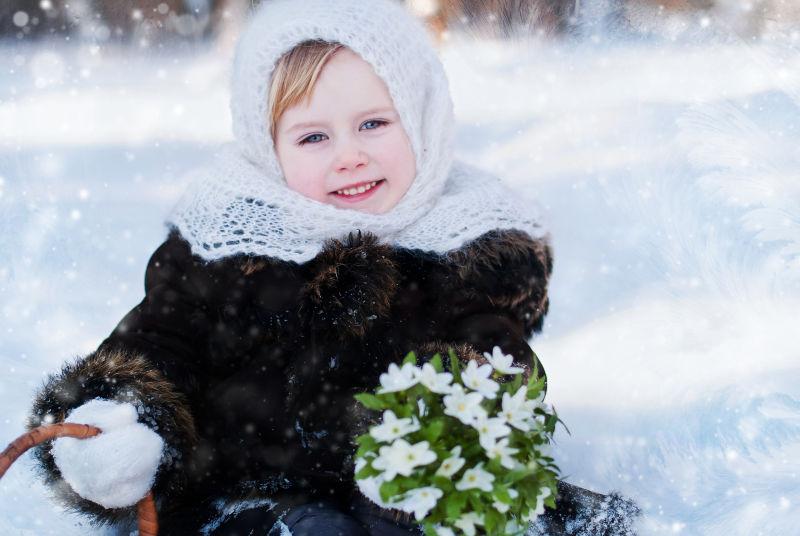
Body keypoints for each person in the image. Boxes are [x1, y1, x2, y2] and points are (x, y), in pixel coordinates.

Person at [26, 0, 637, 534]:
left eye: (373, 124)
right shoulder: (225, 244)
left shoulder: (465, 246)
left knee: (442, 519)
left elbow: (494, 355)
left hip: (400, 489)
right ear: (267, 148)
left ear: (422, 121)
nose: (350, 156)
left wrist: (439, 424)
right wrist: (124, 416)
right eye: (313, 137)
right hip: (247, 488)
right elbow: (160, 342)